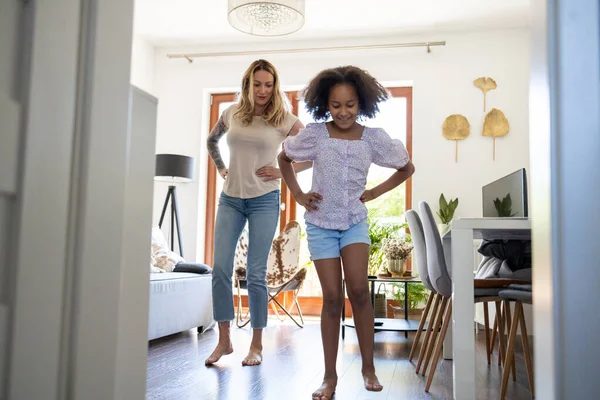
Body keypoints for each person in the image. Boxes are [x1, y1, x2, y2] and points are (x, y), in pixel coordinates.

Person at [278, 66, 415, 399]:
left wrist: (376, 192)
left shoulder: (373, 139)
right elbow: (284, 158)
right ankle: (329, 378)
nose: (343, 112)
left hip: (354, 221)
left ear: (361, 103)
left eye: (350, 105)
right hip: (321, 224)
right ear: (326, 103)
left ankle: (368, 368)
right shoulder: (315, 135)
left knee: (359, 291)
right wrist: (297, 194)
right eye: (336, 105)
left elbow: (406, 167)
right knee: (332, 299)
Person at [205, 59, 311, 367]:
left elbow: (312, 152)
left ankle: (256, 345)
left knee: (255, 273)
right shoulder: (231, 113)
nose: (263, 90)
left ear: (274, 87)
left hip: (264, 200)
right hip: (230, 200)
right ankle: (224, 341)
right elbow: (212, 140)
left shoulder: (284, 119)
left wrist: (282, 171)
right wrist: (221, 167)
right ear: (247, 85)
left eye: (268, 85)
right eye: (257, 84)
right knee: (220, 269)